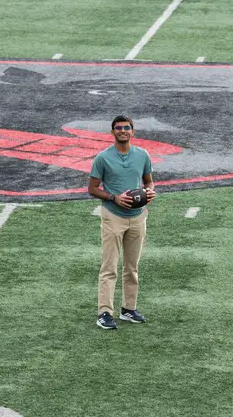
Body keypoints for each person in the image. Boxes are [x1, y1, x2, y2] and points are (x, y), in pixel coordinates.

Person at [88, 115, 156, 330]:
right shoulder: (103, 158)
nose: (123, 131)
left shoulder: (143, 155)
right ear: (112, 132)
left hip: (137, 217)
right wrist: (114, 198)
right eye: (119, 128)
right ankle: (104, 312)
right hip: (113, 217)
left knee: (132, 266)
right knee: (109, 267)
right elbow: (92, 188)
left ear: (132, 131)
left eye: (127, 128)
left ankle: (128, 309)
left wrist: (150, 193)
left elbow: (149, 181)